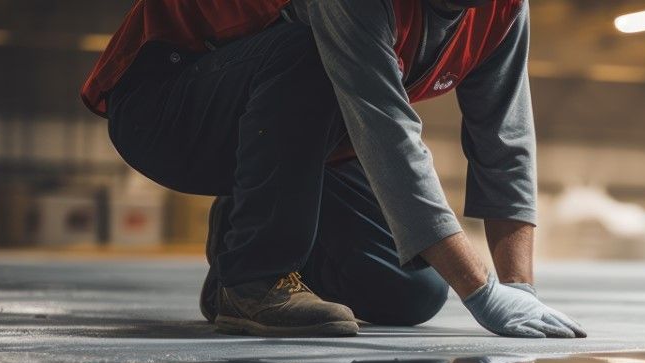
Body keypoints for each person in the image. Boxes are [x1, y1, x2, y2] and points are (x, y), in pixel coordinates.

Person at [82, 0, 585, 339]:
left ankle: (243, 232)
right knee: (310, 50)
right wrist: (481, 292)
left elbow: (505, 140)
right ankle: (253, 277)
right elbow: (386, 135)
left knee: (412, 291)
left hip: (299, 134)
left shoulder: (503, 9)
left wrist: (519, 289)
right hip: (167, 105)